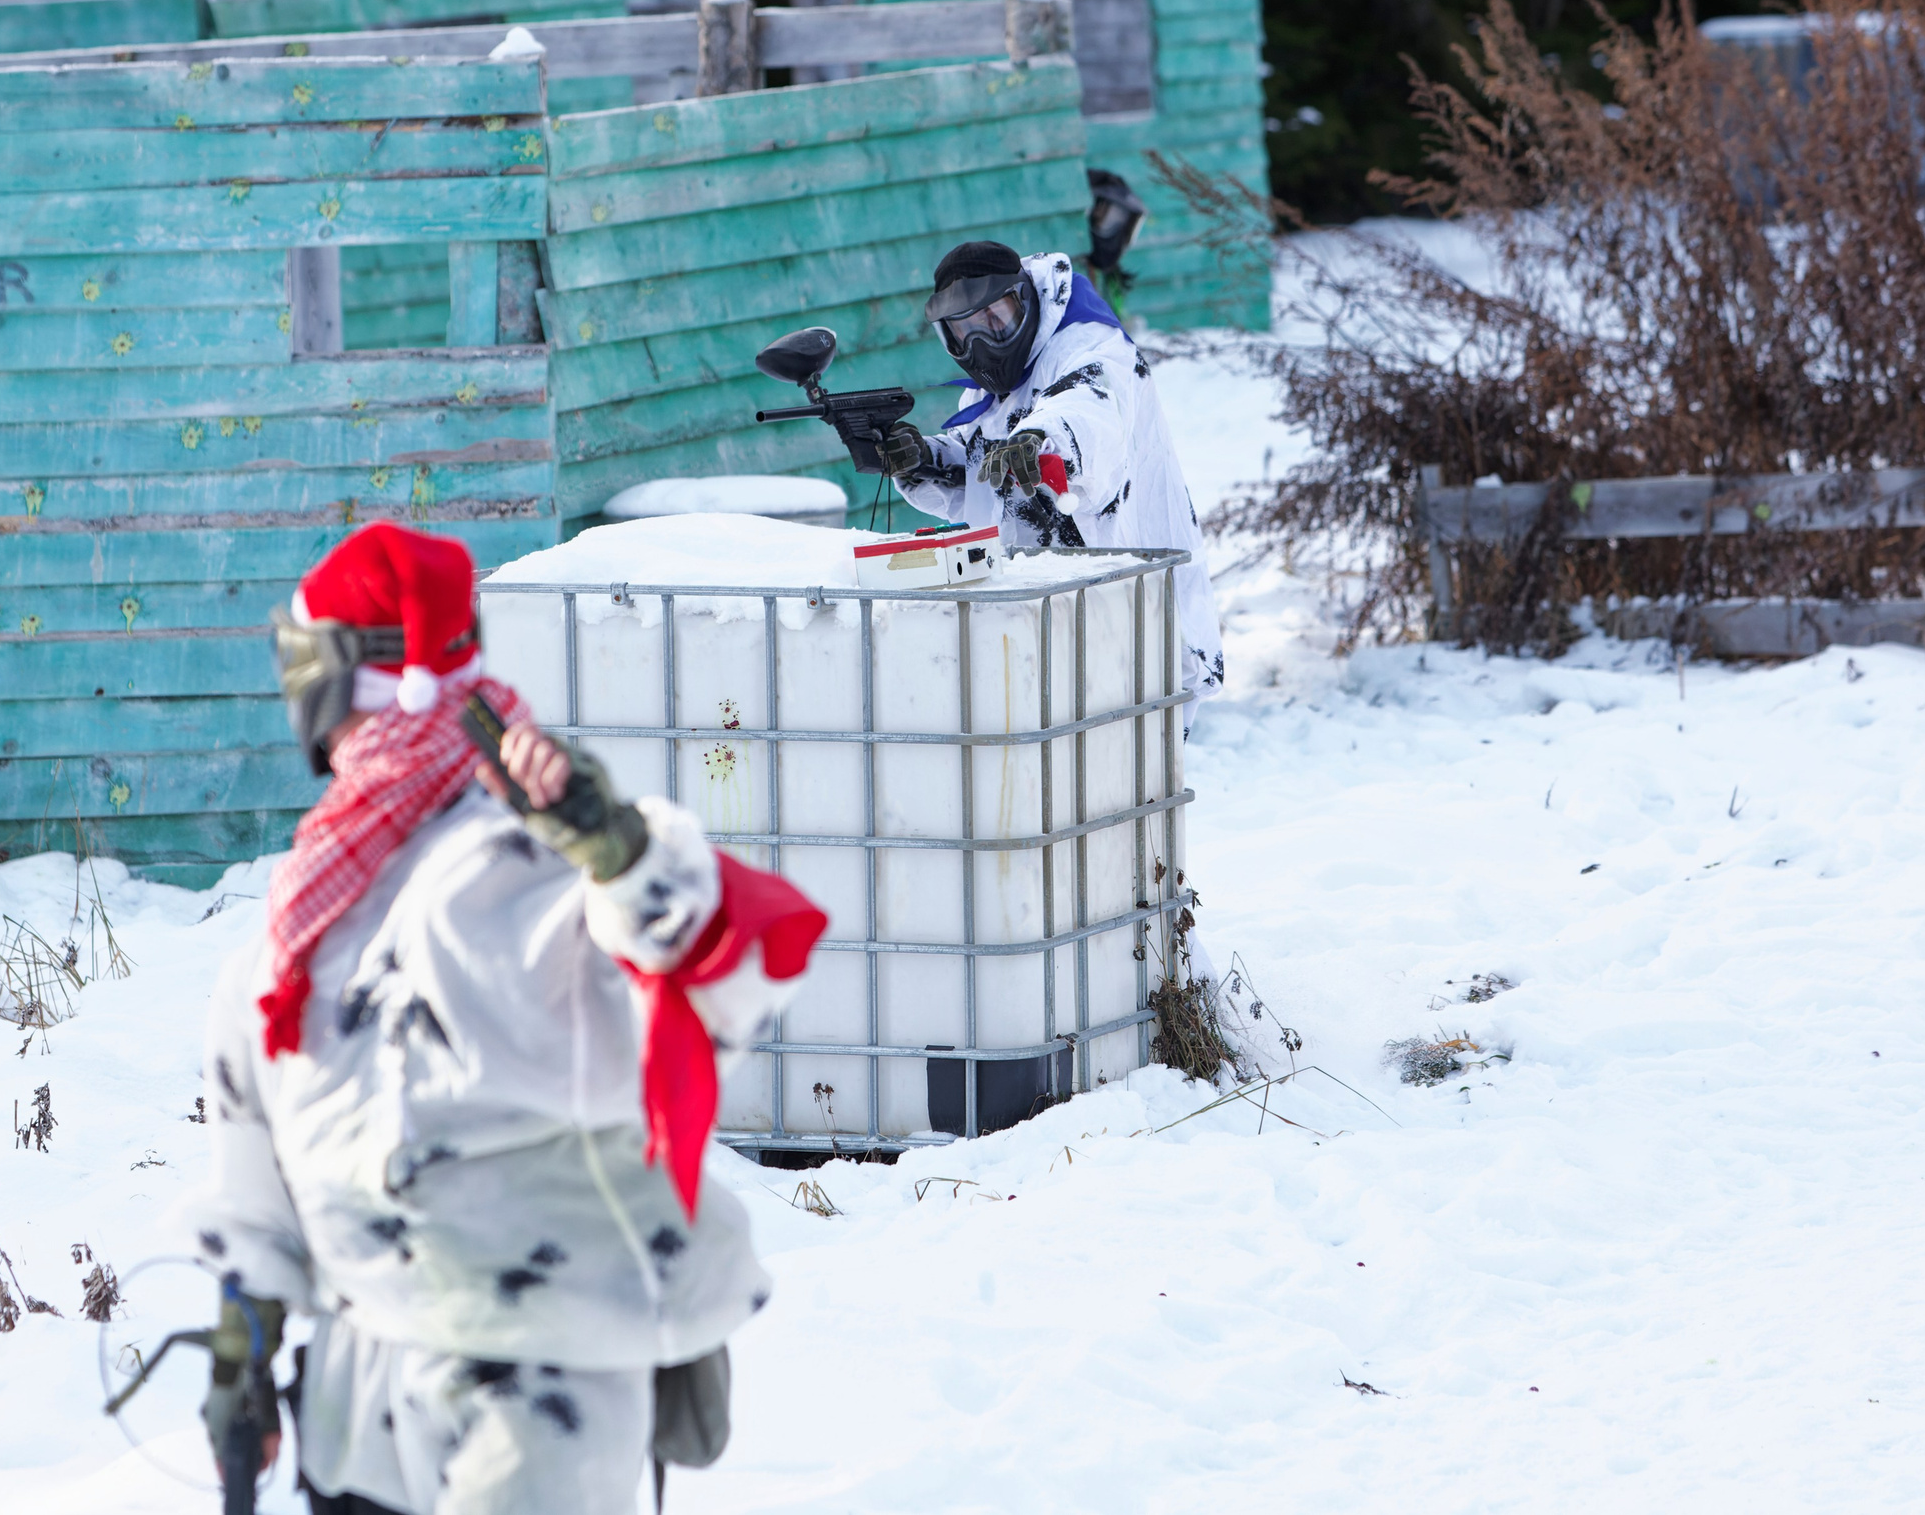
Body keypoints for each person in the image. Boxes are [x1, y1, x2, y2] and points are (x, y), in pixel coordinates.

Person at [193, 521, 827, 1515]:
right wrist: (247, 1321)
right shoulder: (301, 919)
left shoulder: (521, 874)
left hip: (540, 1395)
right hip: (362, 1392)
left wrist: (619, 855)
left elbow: (712, 979)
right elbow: (258, 1135)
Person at [878, 240, 1225, 701]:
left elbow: (1089, 407)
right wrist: (924, 460)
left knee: (1130, 764)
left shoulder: (1089, 346)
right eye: (966, 331)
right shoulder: (997, 392)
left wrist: (1042, 437)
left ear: (1024, 303)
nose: (984, 341)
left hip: (1136, 619)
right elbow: (987, 476)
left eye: (996, 319)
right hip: (1044, 621)